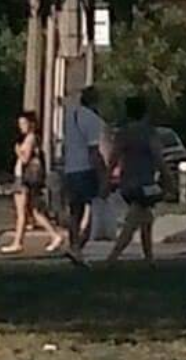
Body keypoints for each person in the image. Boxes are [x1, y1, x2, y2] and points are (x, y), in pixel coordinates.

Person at [105, 95, 168, 264]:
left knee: (146, 219)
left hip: (128, 181)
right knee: (134, 221)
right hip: (145, 182)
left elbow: (113, 157)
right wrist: (167, 176)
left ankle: (149, 259)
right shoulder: (148, 132)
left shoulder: (123, 133)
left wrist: (107, 179)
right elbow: (158, 156)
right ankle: (112, 258)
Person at [2, 110, 65, 254]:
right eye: (20, 123)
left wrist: (18, 151)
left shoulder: (30, 139)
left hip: (24, 179)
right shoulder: (33, 138)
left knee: (22, 212)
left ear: (31, 124)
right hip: (28, 178)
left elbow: (25, 159)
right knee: (34, 212)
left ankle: (18, 243)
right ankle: (54, 235)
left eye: (24, 123)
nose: (21, 126)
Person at [61, 85, 107, 261]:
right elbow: (93, 151)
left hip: (70, 168)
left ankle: (73, 245)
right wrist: (103, 172)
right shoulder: (92, 120)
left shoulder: (70, 117)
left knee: (75, 211)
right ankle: (80, 244)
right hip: (86, 169)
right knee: (92, 209)